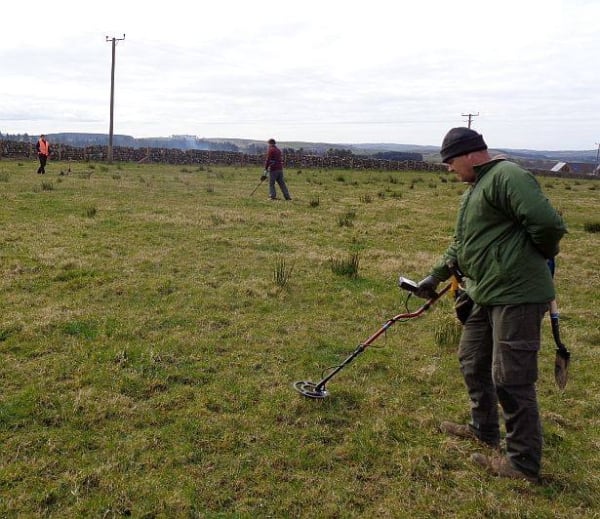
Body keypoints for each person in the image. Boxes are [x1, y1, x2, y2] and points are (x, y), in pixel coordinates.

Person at [412, 127, 566, 483]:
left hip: (517, 294)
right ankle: (483, 429)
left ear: (469, 154)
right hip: (483, 292)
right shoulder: (474, 190)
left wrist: (535, 256)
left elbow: (547, 224)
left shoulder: (508, 176)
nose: (448, 168)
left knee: (512, 379)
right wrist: (433, 277)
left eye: (450, 161)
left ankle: (523, 464)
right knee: (471, 359)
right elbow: (461, 244)